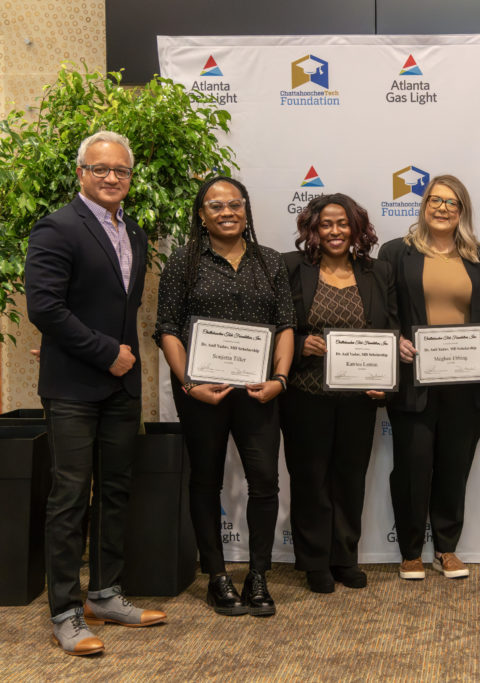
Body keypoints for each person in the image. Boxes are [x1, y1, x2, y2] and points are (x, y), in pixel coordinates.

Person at [25, 131, 165, 655]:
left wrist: (119, 361)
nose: (111, 178)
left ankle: (104, 594)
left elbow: (117, 307)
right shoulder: (57, 227)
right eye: (100, 168)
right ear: (81, 172)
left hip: (120, 387)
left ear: (130, 178)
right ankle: (64, 611)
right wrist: (103, 351)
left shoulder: (134, 230)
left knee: (114, 491)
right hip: (74, 388)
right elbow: (44, 306)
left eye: (121, 171)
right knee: (68, 499)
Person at [155, 176, 295, 617]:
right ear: (201, 215)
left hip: (259, 392)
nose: (227, 212)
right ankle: (217, 577)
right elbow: (168, 329)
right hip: (202, 394)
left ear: (246, 210)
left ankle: (257, 575)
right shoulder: (183, 262)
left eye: (234, 204)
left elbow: (286, 326)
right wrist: (189, 383)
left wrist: (280, 379)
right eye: (215, 206)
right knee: (205, 480)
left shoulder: (269, 261)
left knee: (264, 482)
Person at [378, 175, 480, 580]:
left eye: (452, 202)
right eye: (436, 200)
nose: (443, 208)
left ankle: (447, 548)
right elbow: (384, 310)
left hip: (466, 385)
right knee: (412, 468)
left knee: (454, 466)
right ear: (424, 205)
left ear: (462, 210)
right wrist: (394, 341)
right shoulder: (397, 252)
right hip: (414, 381)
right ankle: (411, 551)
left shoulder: (478, 256)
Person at [280, 193, 397, 593]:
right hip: (304, 394)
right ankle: (314, 561)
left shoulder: (377, 271)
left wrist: (386, 377)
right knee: (310, 478)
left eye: (342, 224)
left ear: (356, 229)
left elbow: (390, 329)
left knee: (350, 478)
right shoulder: (292, 267)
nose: (334, 231)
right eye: (326, 224)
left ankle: (344, 557)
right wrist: (300, 343)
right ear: (313, 229)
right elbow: (275, 325)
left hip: (358, 398)